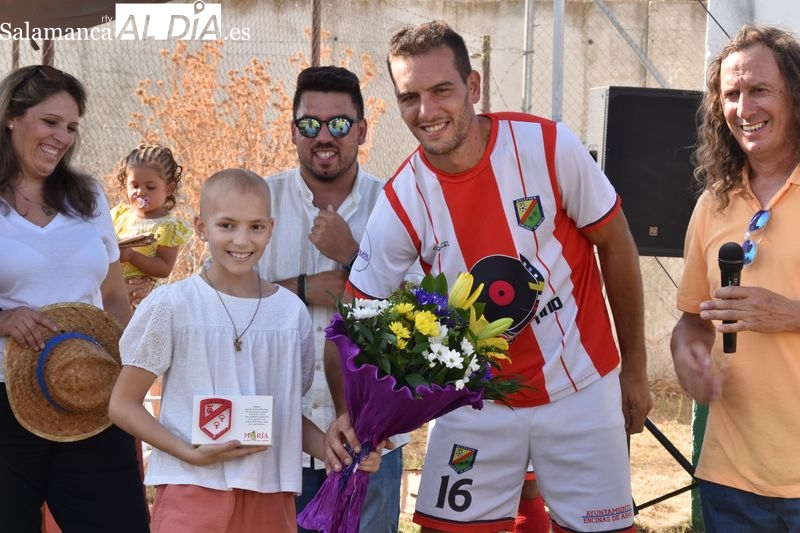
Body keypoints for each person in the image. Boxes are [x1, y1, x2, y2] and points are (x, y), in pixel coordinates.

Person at [325, 20, 652, 533]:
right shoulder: (402, 198)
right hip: (476, 403)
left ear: (473, 87)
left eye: (441, 91)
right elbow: (354, 316)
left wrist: (634, 367)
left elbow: (616, 244)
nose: (426, 112)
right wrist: (353, 412)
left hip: (580, 389)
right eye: (410, 97)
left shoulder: (547, 146)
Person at [108, 169, 381, 533]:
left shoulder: (290, 312)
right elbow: (122, 405)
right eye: (226, 225)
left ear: (271, 227)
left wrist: (344, 453)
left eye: (255, 226)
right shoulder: (173, 304)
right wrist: (187, 451)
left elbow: (283, 417)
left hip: (271, 495)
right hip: (191, 488)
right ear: (201, 227)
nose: (242, 239)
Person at [256, 65, 409, 533]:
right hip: (276, 433)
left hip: (371, 443)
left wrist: (351, 255)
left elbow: (427, 315)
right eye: (310, 124)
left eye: (339, 123)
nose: (324, 136)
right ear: (293, 131)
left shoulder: (398, 204)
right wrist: (302, 288)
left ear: (362, 130)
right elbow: (215, 299)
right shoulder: (257, 199)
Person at [0, 64, 149, 532]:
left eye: (71, 127)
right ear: (11, 117)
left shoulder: (87, 194)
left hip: (91, 395)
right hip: (3, 402)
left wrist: (130, 374)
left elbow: (113, 296)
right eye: (50, 121)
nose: (62, 137)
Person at [670, 24, 800, 532]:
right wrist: (687, 354)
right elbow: (692, 319)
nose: (744, 108)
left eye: (760, 89)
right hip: (731, 480)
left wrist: (789, 315)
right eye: (731, 94)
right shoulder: (713, 203)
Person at [110, 143, 192, 307]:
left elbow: (164, 268)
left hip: (143, 301)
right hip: (111, 294)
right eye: (134, 185)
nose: (140, 192)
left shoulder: (168, 227)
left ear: (169, 189)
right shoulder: (119, 215)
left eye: (150, 187)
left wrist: (132, 256)